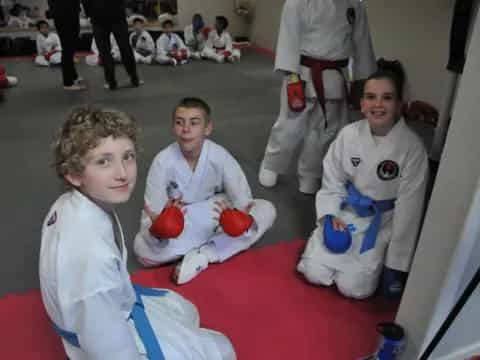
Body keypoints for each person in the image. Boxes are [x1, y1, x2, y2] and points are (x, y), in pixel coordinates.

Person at [39, 106, 237, 360]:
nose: (122, 173)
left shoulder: (72, 204)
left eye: (128, 156)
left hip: (107, 308)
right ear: (74, 174)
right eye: (104, 161)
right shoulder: (90, 256)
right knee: (222, 350)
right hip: (105, 341)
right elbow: (108, 345)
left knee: (185, 310)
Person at [296, 70, 429, 299]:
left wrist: (395, 264)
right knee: (313, 272)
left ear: (399, 104)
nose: (378, 104)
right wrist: (330, 215)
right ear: (362, 103)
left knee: (355, 288)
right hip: (347, 213)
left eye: (387, 97)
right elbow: (332, 181)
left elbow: (410, 209)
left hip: (383, 221)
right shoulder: (348, 135)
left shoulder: (412, 148)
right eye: (370, 97)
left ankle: (369, 266)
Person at [133, 97, 276, 284]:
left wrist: (236, 219)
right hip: (180, 222)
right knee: (142, 250)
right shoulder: (162, 161)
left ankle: (204, 255)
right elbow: (152, 214)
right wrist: (160, 229)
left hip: (213, 215)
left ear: (207, 129)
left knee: (266, 210)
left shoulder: (220, 156)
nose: (185, 130)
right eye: (179, 122)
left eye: (194, 123)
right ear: (173, 127)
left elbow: (243, 201)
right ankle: (214, 247)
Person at [258, 0, 376, 194]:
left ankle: (310, 173)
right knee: (290, 124)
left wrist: (362, 81)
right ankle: (272, 164)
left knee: (324, 130)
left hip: (335, 75)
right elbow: (289, 39)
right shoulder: (297, 3)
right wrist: (292, 74)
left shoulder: (355, 5)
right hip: (302, 73)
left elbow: (362, 43)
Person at [82, 0, 141, 90]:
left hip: (98, 14)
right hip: (116, 12)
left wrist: (89, 13)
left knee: (105, 51)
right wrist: (129, 7)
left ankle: (111, 82)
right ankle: (134, 78)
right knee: (124, 47)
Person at [46, 0, 85, 90]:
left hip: (71, 14)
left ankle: (73, 76)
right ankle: (67, 82)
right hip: (63, 16)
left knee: (71, 48)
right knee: (67, 48)